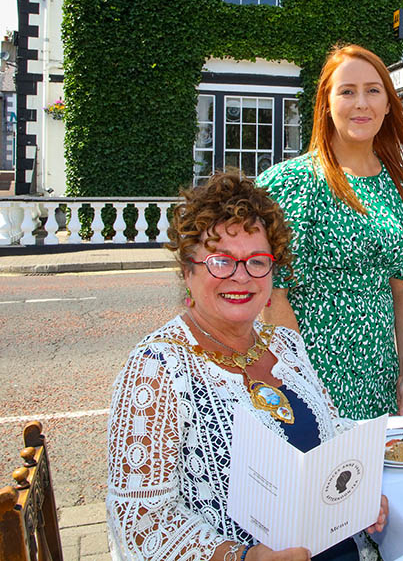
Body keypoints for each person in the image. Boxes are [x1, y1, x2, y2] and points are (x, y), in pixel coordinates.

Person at [106, 171, 388, 561]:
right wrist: (242, 557)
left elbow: (328, 432)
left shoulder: (284, 345)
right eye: (221, 261)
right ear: (188, 271)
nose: (240, 277)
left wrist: (360, 490)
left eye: (257, 261)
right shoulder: (157, 368)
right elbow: (140, 521)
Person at [257, 45, 403, 419]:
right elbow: (271, 297)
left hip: (380, 378)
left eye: (373, 91)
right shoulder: (292, 184)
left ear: (387, 105)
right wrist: (300, 389)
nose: (361, 103)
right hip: (310, 376)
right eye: (347, 91)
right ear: (326, 103)